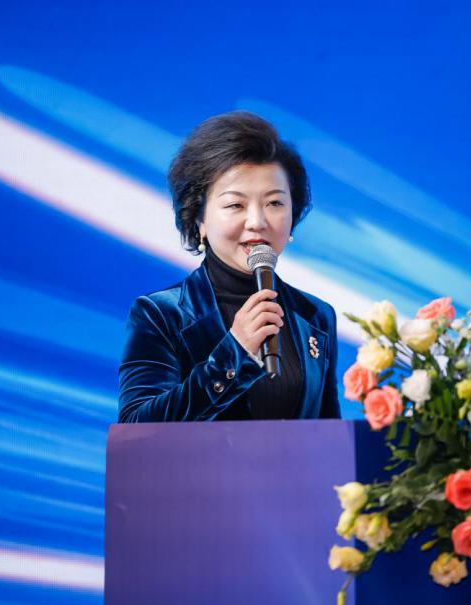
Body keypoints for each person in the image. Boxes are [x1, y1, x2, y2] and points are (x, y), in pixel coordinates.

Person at [118, 112, 341, 422]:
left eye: (274, 203)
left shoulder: (315, 316)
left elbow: (327, 435)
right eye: (236, 204)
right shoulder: (160, 315)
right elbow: (136, 428)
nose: (257, 222)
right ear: (199, 219)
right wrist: (235, 352)